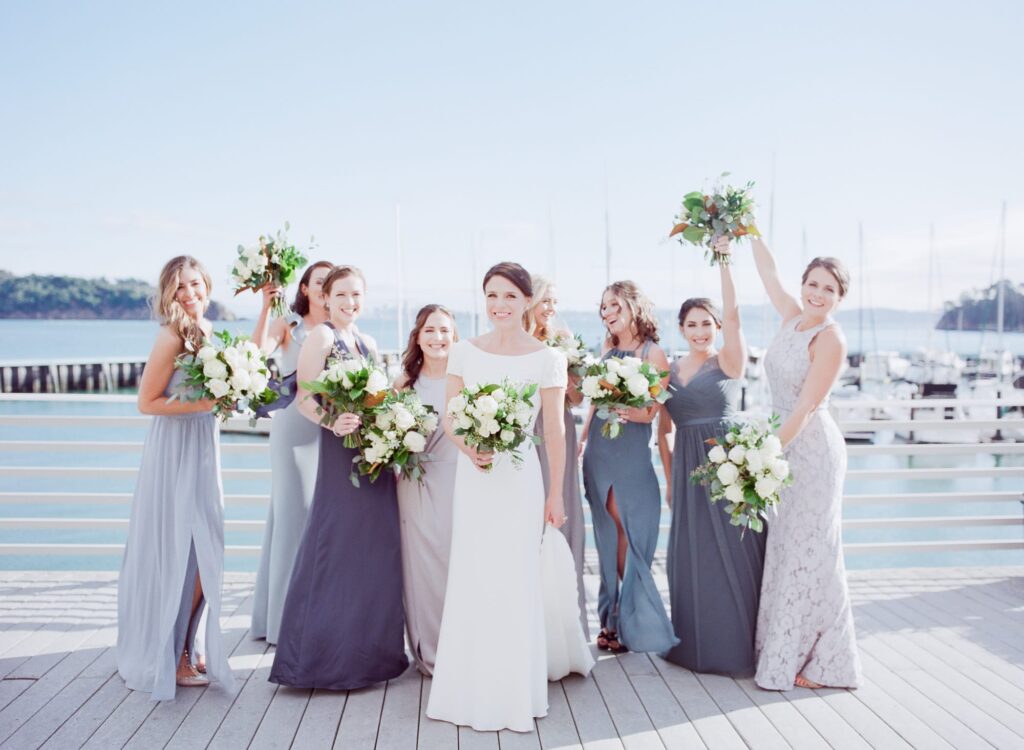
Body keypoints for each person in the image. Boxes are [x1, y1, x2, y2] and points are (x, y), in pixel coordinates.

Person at [427, 262, 568, 732]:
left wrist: (556, 495)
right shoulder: (464, 351)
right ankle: (465, 692)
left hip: (520, 478)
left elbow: (553, 430)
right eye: (492, 295)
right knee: (472, 574)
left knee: (514, 578)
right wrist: (470, 447)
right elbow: (450, 418)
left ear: (527, 301)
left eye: (510, 295)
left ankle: (513, 694)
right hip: (476, 478)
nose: (500, 305)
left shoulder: (548, 358)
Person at [268, 265, 408, 690]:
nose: (350, 302)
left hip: (374, 459)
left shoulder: (366, 341)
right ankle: (319, 659)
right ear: (326, 298)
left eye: (357, 295)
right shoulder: (322, 336)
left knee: (373, 550)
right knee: (335, 545)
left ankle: (369, 656)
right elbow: (304, 398)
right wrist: (333, 422)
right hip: (341, 454)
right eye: (342, 295)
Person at [748, 237, 862, 690]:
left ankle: (821, 659)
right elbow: (768, 274)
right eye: (812, 284)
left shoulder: (830, 338)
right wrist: (746, 229)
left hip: (811, 451)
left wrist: (763, 456)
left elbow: (805, 410)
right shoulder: (793, 318)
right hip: (781, 446)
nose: (817, 294)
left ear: (840, 297)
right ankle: (785, 649)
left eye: (828, 289)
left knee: (812, 551)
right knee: (786, 549)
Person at [117, 255, 232, 700]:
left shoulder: (210, 332)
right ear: (169, 293)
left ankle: (189, 642)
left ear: (207, 285)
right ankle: (175, 653)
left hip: (204, 447)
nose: (189, 294)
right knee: (181, 549)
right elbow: (146, 403)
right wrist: (202, 406)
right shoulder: (169, 337)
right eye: (180, 287)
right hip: (174, 452)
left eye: (196, 284)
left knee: (207, 548)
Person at [657, 237, 765, 675]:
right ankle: (696, 646)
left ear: (718, 327)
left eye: (707, 324)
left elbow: (736, 314)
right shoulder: (668, 372)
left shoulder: (729, 361)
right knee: (691, 555)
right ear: (681, 329)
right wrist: (669, 480)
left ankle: (735, 648)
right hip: (685, 469)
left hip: (729, 466)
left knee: (735, 554)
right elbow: (662, 430)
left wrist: (724, 260)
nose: (700, 332)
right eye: (692, 325)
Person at [580, 280, 677, 655]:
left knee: (627, 526)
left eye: (614, 305)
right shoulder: (607, 349)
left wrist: (625, 409)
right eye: (603, 307)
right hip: (600, 452)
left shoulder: (655, 354)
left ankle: (629, 615)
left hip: (632, 453)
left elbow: (652, 411)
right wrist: (584, 435)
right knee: (607, 531)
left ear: (634, 306)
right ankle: (611, 620)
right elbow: (592, 399)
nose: (607, 313)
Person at [250, 260, 333, 645]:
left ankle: (312, 611)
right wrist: (267, 307)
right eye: (318, 282)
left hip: (330, 432)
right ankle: (282, 623)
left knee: (319, 520)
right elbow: (255, 353)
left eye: (330, 283)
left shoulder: (340, 331)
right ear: (305, 288)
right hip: (293, 431)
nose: (324, 288)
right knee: (290, 516)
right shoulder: (290, 325)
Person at [394, 303, 459, 675]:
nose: (437, 338)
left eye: (444, 330)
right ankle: (429, 652)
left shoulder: (464, 378)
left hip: (458, 480)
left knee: (456, 563)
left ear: (454, 336)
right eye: (429, 330)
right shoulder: (404, 383)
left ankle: (461, 647)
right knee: (421, 569)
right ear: (418, 337)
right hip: (415, 484)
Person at [526, 274, 588, 637]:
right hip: (523, 432)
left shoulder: (564, 341)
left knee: (559, 513)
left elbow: (578, 399)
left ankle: (564, 623)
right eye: (545, 300)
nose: (550, 308)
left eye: (554, 301)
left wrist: (571, 372)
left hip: (557, 431)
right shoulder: (513, 341)